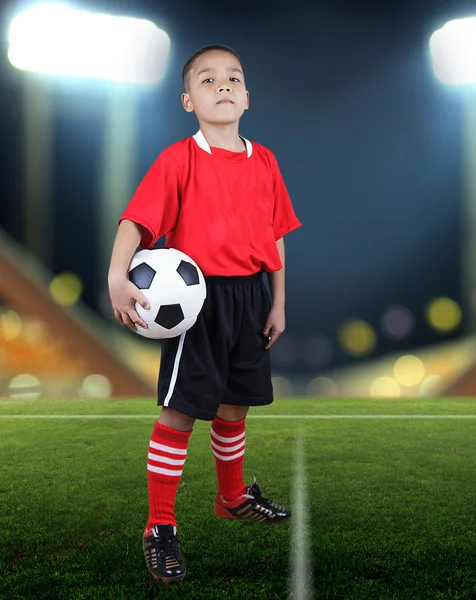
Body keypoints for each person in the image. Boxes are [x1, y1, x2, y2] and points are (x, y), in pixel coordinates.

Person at [107, 44, 301, 583]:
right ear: (188, 100)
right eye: (208, 79)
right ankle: (159, 527)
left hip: (251, 297)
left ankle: (231, 496)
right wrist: (116, 275)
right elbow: (136, 222)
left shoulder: (264, 160)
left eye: (233, 78)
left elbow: (277, 237)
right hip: (194, 302)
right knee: (182, 412)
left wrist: (278, 301)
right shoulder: (179, 159)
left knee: (235, 406)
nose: (223, 86)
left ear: (247, 97)